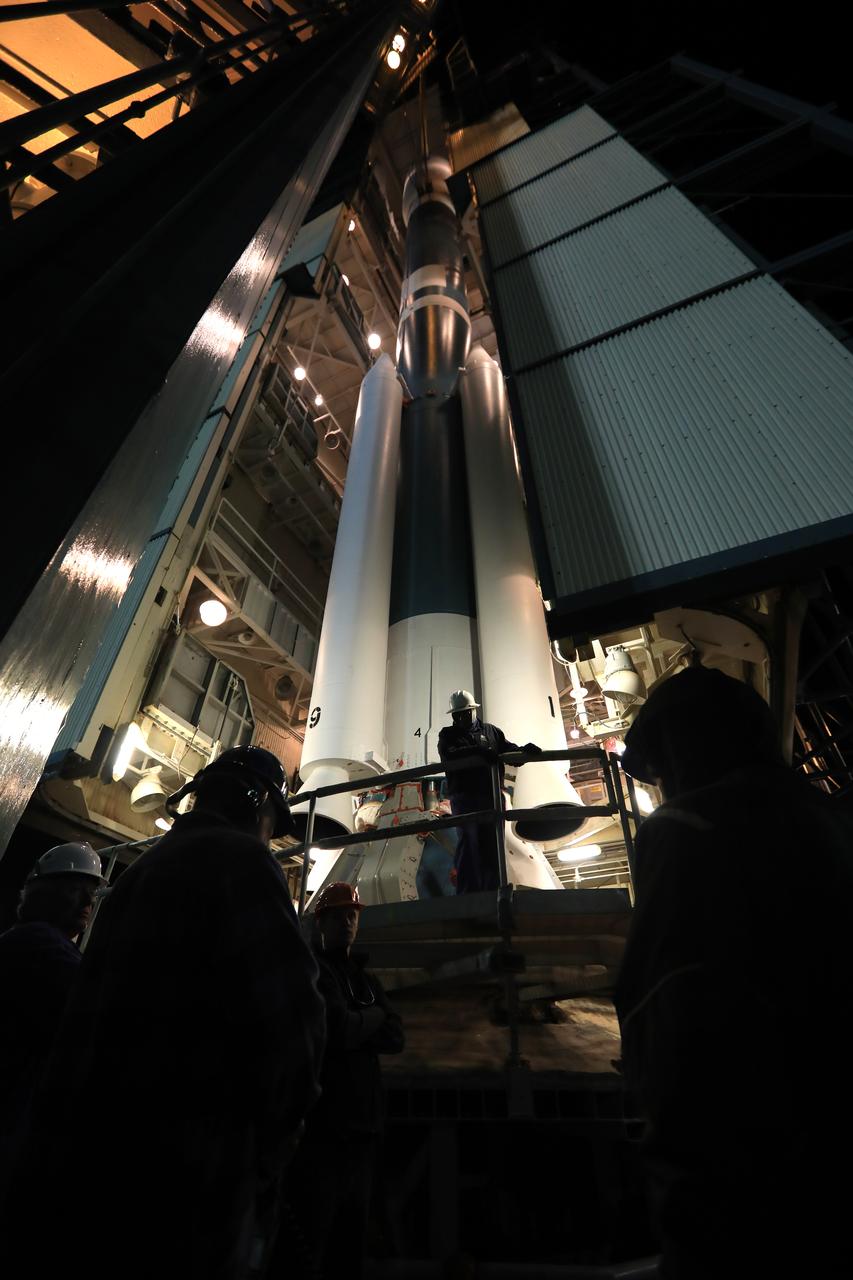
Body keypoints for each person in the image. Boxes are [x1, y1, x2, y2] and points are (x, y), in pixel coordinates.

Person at [7, 745, 326, 1280]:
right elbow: (292, 1019)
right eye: (273, 822)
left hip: (95, 1176)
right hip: (190, 1183)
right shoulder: (242, 862)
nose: (271, 837)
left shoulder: (135, 878)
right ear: (256, 803)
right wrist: (279, 1142)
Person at [613, 665, 853, 1279]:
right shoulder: (830, 820)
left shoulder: (686, 829)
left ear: (682, 751)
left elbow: (671, 1016)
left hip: (756, 1196)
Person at [278, 881, 404, 1280]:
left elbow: (396, 1037)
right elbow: (342, 1029)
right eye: (339, 916)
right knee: (311, 1244)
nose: (348, 922)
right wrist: (374, 1019)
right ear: (322, 923)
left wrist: (363, 1023)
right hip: (325, 1134)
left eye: (352, 916)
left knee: (350, 1246)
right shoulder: (316, 972)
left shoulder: (363, 978)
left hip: (363, 1134)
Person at [0, 843, 103, 1185]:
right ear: (43, 893)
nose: (88, 903)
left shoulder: (21, 940)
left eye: (91, 893)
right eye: (77, 891)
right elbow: (97, 1007)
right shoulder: (41, 944)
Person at [437, 689, 540, 893]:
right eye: (457, 715)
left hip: (491, 796)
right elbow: (450, 754)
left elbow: (508, 751)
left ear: (474, 711)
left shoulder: (492, 732)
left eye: (464, 713)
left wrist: (524, 751)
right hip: (465, 798)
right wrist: (480, 752)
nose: (461, 718)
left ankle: (493, 892)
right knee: (469, 844)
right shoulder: (448, 735)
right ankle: (469, 896)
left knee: (493, 847)